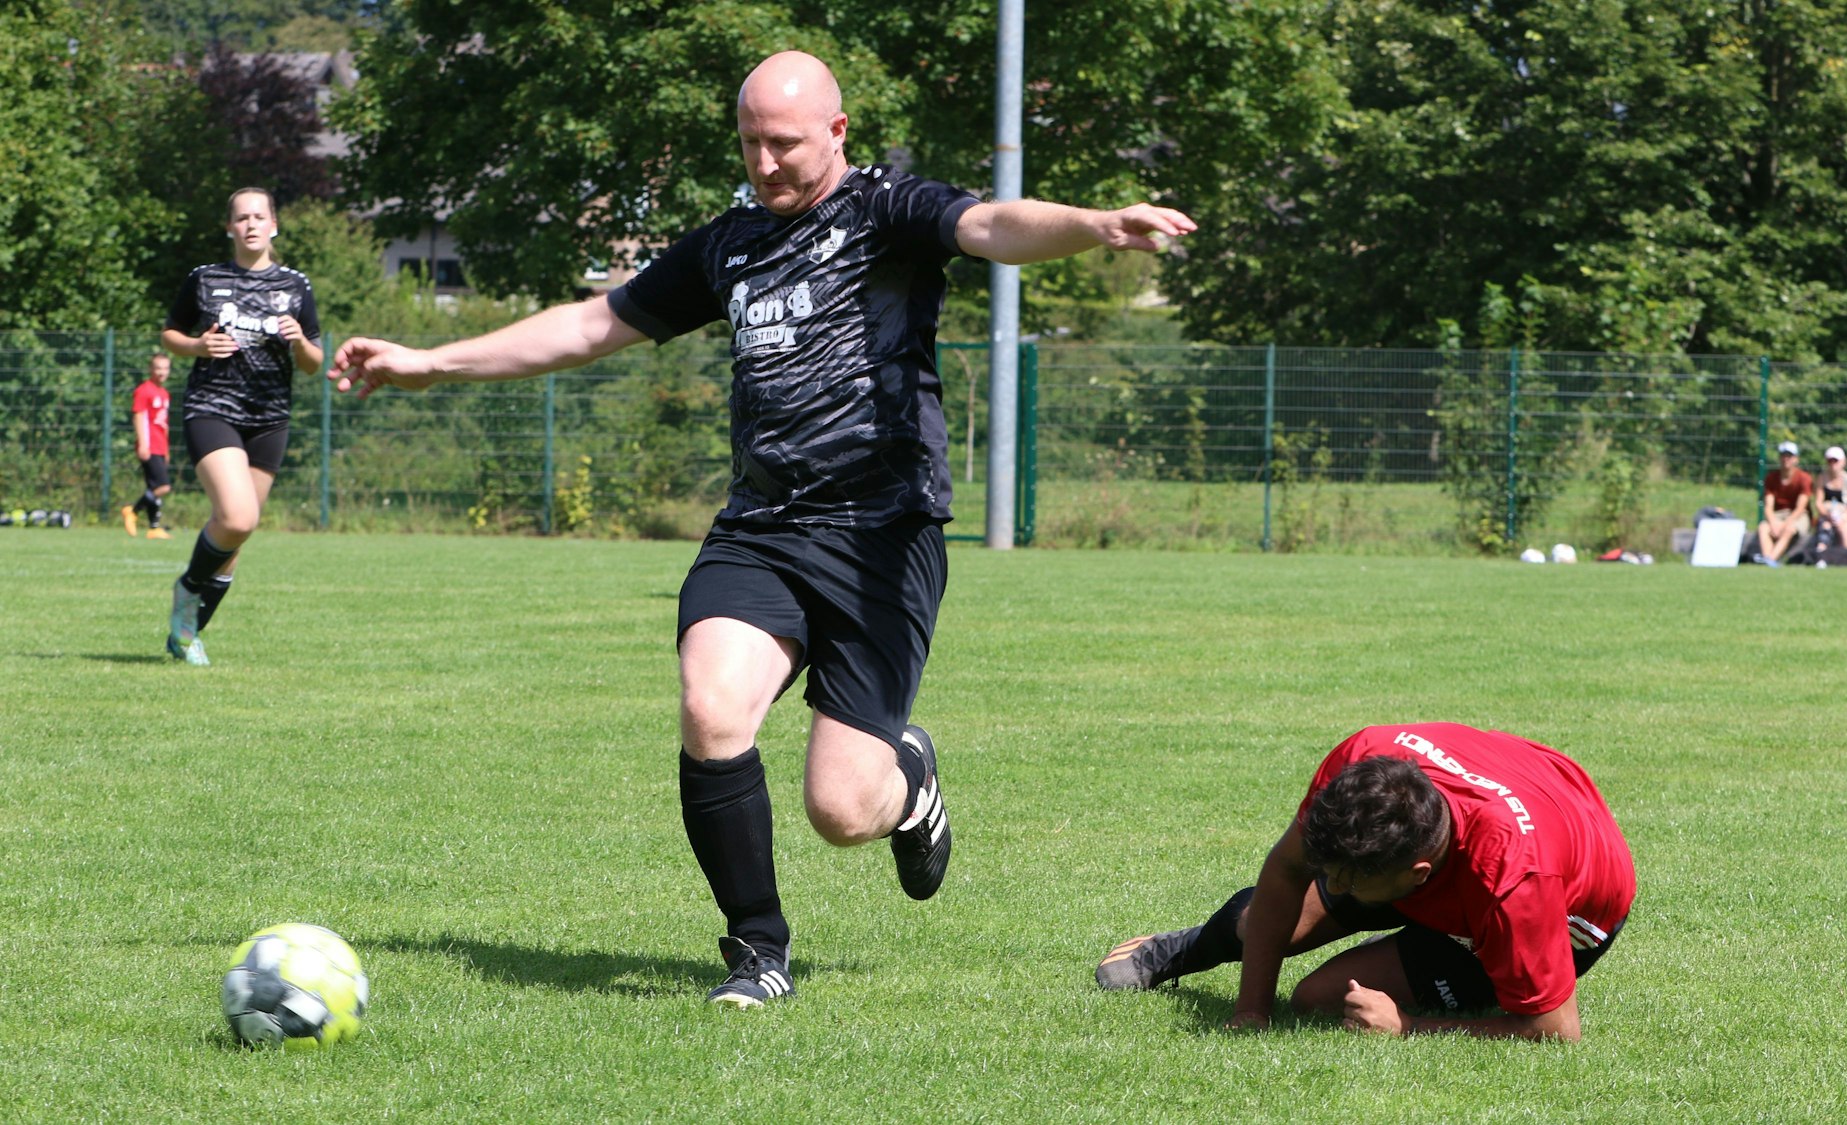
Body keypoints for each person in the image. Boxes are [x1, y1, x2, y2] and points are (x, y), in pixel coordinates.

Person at [327, 51, 1197, 1008]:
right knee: (711, 708)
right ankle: (757, 951)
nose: (766, 162)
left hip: (880, 534)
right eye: (750, 142)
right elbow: (589, 326)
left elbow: (989, 224)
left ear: (836, 132)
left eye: (784, 143)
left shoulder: (886, 213)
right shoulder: (729, 244)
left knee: (840, 809)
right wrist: (432, 362)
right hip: (763, 527)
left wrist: (1097, 227)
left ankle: (908, 777)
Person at [1096, 723, 1635, 1042]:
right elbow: (1287, 870)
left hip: (1569, 911)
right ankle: (1186, 948)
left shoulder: (1515, 883)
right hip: (1491, 820)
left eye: (1344, 879)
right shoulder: (1365, 762)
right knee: (1273, 921)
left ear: (1417, 878)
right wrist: (1251, 1009)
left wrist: (1410, 1025)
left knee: (1319, 998)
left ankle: (1428, 950)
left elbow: (1554, 1029)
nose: (1329, 882)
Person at [159, 187, 323, 665]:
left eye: (259, 216)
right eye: (241, 217)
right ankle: (187, 591)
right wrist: (195, 347)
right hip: (212, 408)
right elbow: (171, 332)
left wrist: (299, 343)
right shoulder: (205, 279)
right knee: (237, 517)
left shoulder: (296, 285)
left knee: (235, 537)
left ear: (274, 225)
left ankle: (186, 633)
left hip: (269, 418)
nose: (251, 224)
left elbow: (315, 362)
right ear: (229, 227)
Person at [122, 352, 176, 539]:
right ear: (151, 369)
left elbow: (164, 423)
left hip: (160, 446)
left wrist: (167, 449)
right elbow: (139, 416)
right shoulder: (144, 390)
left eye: (165, 368)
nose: (162, 372)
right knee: (163, 487)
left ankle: (154, 527)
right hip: (150, 445)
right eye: (158, 368)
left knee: (153, 487)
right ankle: (133, 511)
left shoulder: (164, 393)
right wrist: (143, 443)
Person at [1754, 440, 1813, 567]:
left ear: (1796, 459)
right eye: (1783, 455)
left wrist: (1785, 524)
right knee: (1763, 527)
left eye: (1789, 456)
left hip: (1798, 516)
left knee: (1789, 529)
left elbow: (1800, 507)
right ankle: (1768, 558)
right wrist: (1773, 523)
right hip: (1778, 515)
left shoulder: (1804, 478)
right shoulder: (1771, 478)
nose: (1786, 459)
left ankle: (1771, 559)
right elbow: (1768, 506)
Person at [1812, 445, 1847, 552]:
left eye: (1836, 461)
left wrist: (1843, 517)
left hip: (1846, 516)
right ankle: (1821, 556)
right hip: (1826, 516)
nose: (1833, 464)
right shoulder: (1821, 478)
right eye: (1830, 461)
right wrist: (1827, 515)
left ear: (1843, 462)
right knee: (1825, 526)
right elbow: (1818, 503)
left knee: (1843, 529)